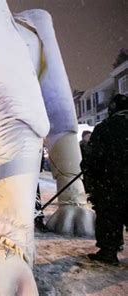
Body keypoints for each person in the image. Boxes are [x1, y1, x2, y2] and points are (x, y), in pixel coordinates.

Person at [85, 94, 128, 264]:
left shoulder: (106, 128)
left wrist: (91, 176)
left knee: (110, 216)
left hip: (111, 182)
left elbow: (93, 156)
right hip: (115, 179)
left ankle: (109, 250)